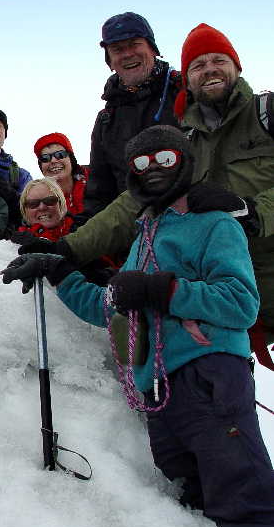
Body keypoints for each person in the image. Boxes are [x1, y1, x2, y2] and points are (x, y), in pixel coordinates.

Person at [3, 125, 274, 527]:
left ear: (184, 163)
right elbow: (108, 307)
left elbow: (239, 302)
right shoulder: (144, 238)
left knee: (242, 496)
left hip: (208, 373)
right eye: (142, 163)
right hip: (159, 391)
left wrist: (160, 289)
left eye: (166, 158)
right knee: (191, 504)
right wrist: (57, 270)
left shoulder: (212, 223)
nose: (154, 169)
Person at [28, 24, 274, 367]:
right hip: (212, 296)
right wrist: (67, 248)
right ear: (187, 79)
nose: (209, 70)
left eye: (219, 60)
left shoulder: (267, 113)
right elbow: (134, 200)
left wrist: (256, 212)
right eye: (198, 66)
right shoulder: (183, 138)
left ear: (237, 66)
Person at [84, 12, 181, 217]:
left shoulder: (185, 93)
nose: (127, 54)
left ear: (153, 49)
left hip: (191, 221)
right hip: (132, 228)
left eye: (134, 44)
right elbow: (98, 195)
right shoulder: (106, 120)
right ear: (110, 61)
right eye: (117, 49)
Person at [33, 133, 88, 216]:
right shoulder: (38, 200)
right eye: (45, 158)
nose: (53, 161)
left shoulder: (96, 179)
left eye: (60, 155)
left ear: (71, 159)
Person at [15, 177, 73, 242]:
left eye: (50, 200)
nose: (42, 207)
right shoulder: (13, 245)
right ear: (24, 211)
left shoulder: (80, 235)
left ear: (61, 204)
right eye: (33, 203)